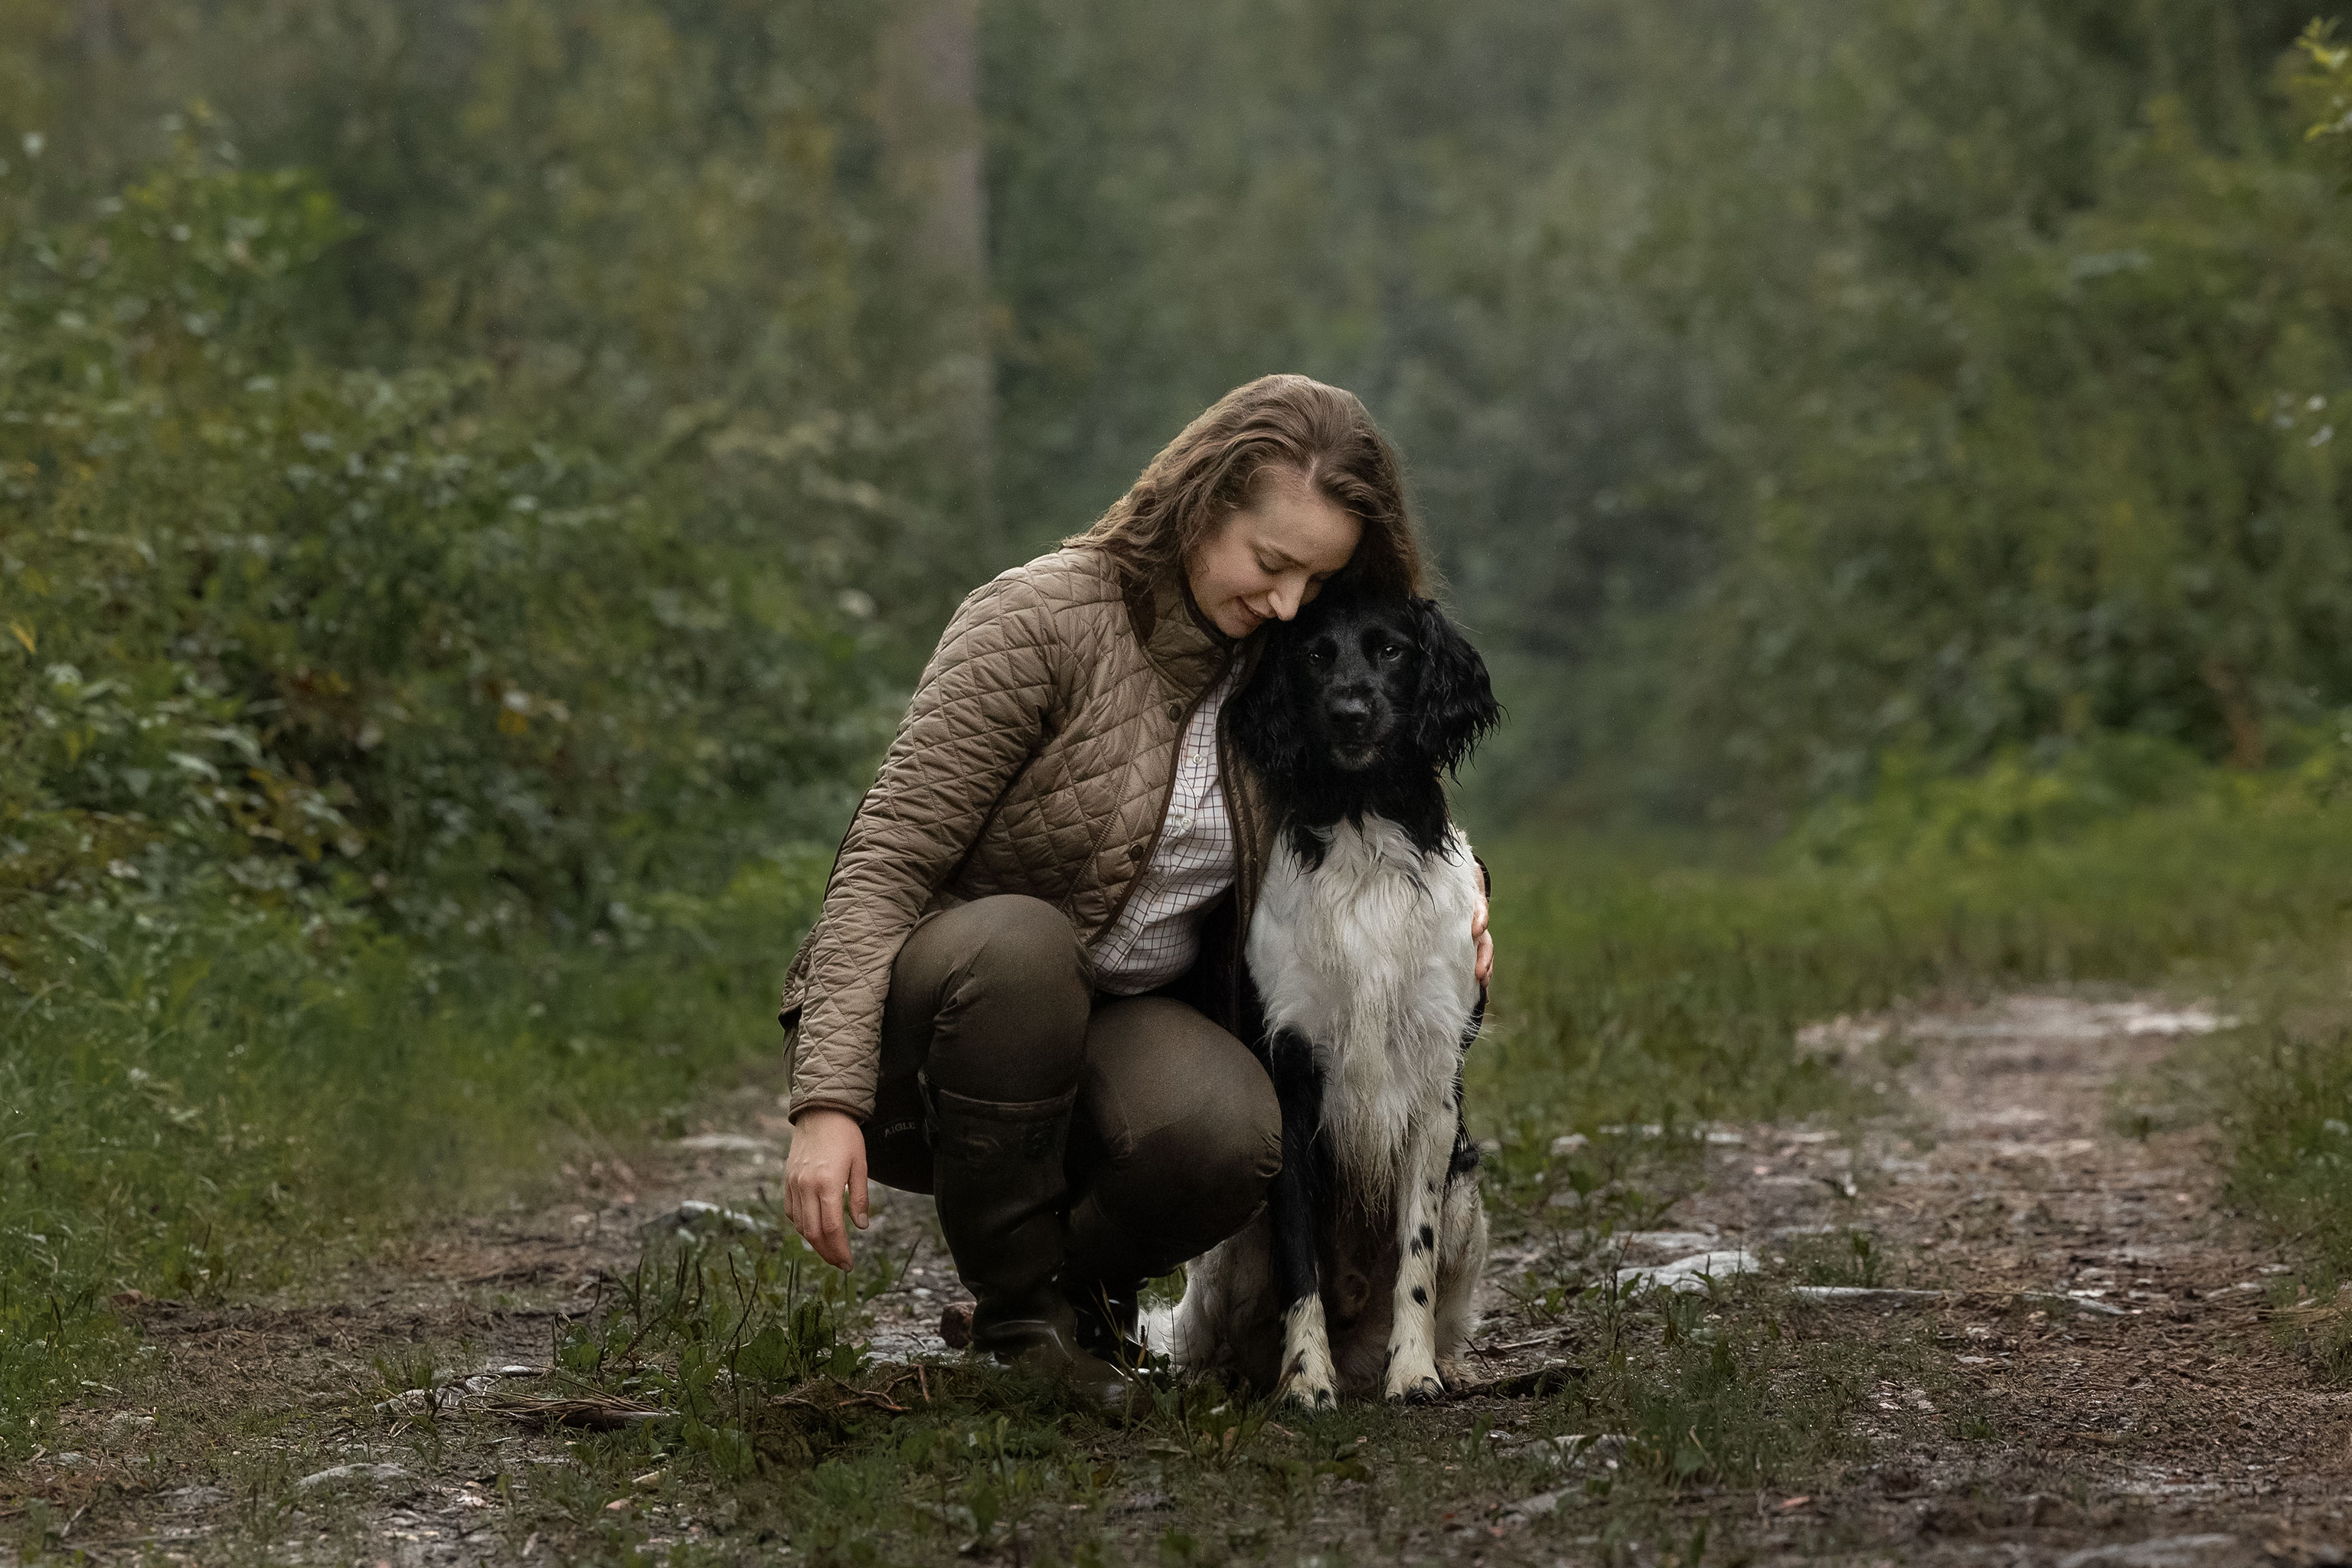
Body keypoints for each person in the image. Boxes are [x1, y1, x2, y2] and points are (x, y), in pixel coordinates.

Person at [776, 374, 1494, 1410]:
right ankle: (1022, 1332)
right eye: (1272, 563)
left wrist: (1467, 888)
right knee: (1023, 949)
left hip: (1129, 1022)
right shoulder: (1036, 620)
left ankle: (1086, 1301)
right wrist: (829, 1101)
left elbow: (1383, 794)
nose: (1289, 601)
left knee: (1236, 1133)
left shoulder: (1277, 661)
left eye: (1315, 578)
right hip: (954, 1021)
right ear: (1202, 505)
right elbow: (884, 860)